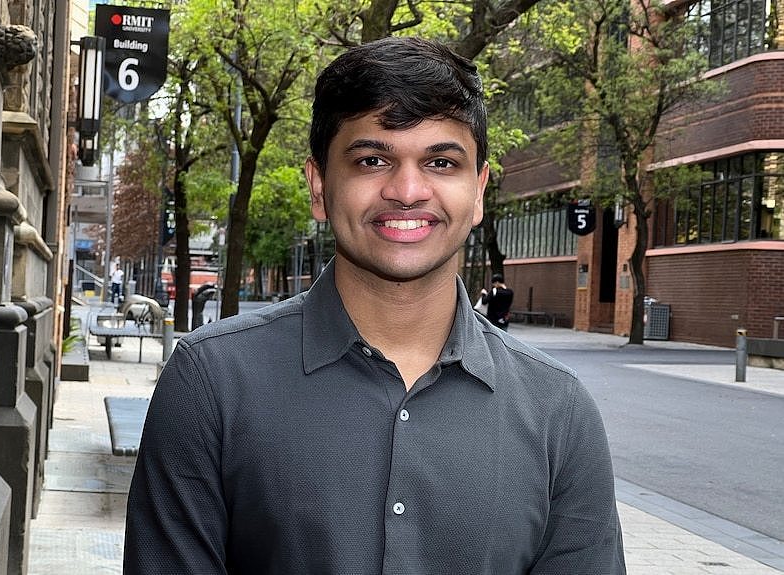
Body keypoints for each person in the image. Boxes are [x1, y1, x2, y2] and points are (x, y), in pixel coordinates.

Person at [123, 36, 625, 574]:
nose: (408, 190)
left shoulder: (558, 411)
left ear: (478, 191)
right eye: (371, 160)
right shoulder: (211, 383)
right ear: (319, 187)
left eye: (441, 161)